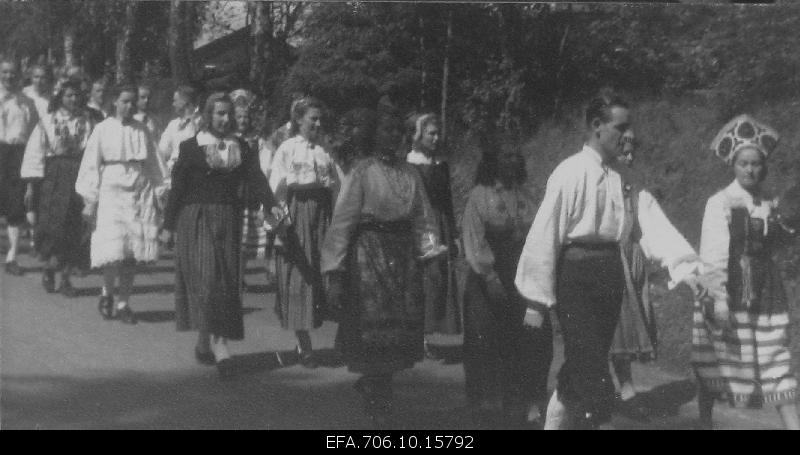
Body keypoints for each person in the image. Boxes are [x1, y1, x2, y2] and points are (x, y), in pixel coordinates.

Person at [514, 90, 703, 430]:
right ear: (597, 126)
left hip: (610, 273)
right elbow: (545, 234)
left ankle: (554, 423)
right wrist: (536, 300)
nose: (629, 135)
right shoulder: (569, 173)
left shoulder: (625, 178)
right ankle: (601, 423)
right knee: (591, 364)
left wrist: (686, 266)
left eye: (630, 127)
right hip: (575, 274)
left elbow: (652, 223)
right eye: (621, 127)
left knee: (588, 359)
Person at [321, 107, 442, 427]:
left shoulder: (411, 173)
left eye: (397, 131)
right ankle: (377, 396)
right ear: (373, 134)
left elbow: (424, 219)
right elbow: (342, 223)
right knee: (372, 330)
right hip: (368, 256)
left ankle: (379, 384)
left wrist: (430, 258)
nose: (394, 136)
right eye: (386, 130)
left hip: (402, 259)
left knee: (397, 333)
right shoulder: (361, 172)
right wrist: (334, 273)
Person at [162, 92, 283, 377]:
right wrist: (167, 226)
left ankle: (206, 342)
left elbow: (259, 183)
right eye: (219, 113)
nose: (225, 119)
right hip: (196, 219)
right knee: (207, 280)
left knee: (225, 280)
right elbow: (178, 189)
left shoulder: (241, 147)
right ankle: (220, 347)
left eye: (229, 113)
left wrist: (280, 218)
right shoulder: (190, 147)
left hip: (229, 220)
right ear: (208, 115)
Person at [694, 114, 799, 430]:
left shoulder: (769, 202)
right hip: (730, 292)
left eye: (756, 164)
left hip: (766, 296)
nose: (751, 169)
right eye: (744, 164)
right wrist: (719, 298)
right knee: (716, 364)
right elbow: (713, 253)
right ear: (734, 165)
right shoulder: (721, 202)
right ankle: (704, 422)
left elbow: (779, 243)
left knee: (776, 364)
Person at [461, 149, 552, 427]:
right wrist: (490, 278)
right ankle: (487, 409)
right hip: (488, 279)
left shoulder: (527, 195)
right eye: (505, 156)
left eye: (516, 156)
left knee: (534, 339)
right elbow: (474, 240)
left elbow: (541, 235)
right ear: (493, 160)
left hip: (523, 278)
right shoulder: (480, 195)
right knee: (487, 343)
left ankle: (526, 403)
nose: (512, 161)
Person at [75, 84, 168, 324]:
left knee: (131, 253)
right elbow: (91, 165)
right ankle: (107, 292)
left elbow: (155, 164)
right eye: (124, 101)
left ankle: (124, 302)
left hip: (138, 192)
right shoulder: (102, 129)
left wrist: (160, 192)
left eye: (132, 102)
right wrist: (90, 200)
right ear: (114, 101)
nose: (129, 106)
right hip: (111, 190)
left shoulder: (143, 130)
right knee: (114, 251)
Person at [269, 97, 339, 368]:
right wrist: (280, 227)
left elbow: (337, 187)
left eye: (320, 119)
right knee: (299, 276)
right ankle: (305, 344)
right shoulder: (287, 149)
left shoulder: (324, 150)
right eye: (313, 119)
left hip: (321, 215)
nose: (318, 124)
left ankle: (340, 340)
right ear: (299, 120)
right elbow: (277, 190)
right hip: (296, 214)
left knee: (326, 274)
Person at [21, 80, 93, 296]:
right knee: (54, 226)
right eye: (69, 95)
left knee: (74, 226)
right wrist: (31, 187)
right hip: (54, 176)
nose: (73, 99)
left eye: (76, 95)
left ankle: (66, 278)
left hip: (79, 174)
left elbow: (91, 150)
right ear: (60, 97)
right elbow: (35, 153)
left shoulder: (87, 121)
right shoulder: (48, 121)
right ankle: (50, 267)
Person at [406, 113, 461, 357]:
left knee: (438, 279)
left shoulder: (441, 164)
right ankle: (416, 337)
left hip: (441, 226)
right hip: (420, 224)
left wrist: (454, 234)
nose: (436, 138)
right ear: (419, 135)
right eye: (431, 133)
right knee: (422, 278)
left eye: (438, 133)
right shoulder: (411, 162)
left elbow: (447, 200)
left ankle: (427, 335)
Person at [0, 58, 38, 276]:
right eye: (5, 72)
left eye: (13, 73)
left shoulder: (27, 102)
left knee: (15, 207)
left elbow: (33, 134)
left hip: (17, 155)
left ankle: (12, 256)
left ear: (19, 74)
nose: (9, 77)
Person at [22, 64, 52, 245]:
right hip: (22, 147)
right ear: (30, 78)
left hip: (42, 149)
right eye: (36, 77)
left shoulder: (52, 99)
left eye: (43, 77)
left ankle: (35, 236)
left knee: (38, 194)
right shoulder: (24, 95)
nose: (39, 81)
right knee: (24, 193)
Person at [159, 85, 201, 171]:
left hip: (194, 169)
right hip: (173, 169)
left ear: (185, 102)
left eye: (175, 101)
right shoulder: (173, 124)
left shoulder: (202, 122)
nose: (173, 104)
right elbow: (162, 150)